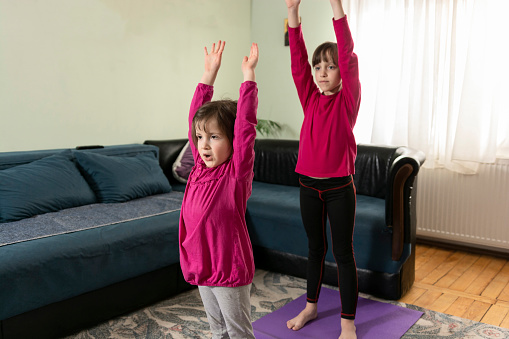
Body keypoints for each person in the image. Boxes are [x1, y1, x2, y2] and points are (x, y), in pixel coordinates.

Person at [284, 0, 361, 338]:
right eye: (319, 67)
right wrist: (292, 13)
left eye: (329, 66)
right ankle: (311, 308)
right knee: (315, 249)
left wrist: (336, 6)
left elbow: (347, 53)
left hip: (339, 188)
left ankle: (347, 323)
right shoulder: (309, 97)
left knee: (343, 253)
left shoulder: (348, 101)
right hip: (308, 187)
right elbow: (297, 61)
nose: (321, 71)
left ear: (341, 71)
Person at [179, 40, 259, 339]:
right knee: (218, 331)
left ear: (231, 142)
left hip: (229, 268)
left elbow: (246, 128)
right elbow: (193, 121)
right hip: (202, 264)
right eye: (200, 137)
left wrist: (248, 77)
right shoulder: (199, 167)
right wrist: (208, 75)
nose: (203, 144)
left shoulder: (235, 174)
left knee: (238, 333)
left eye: (214, 137)